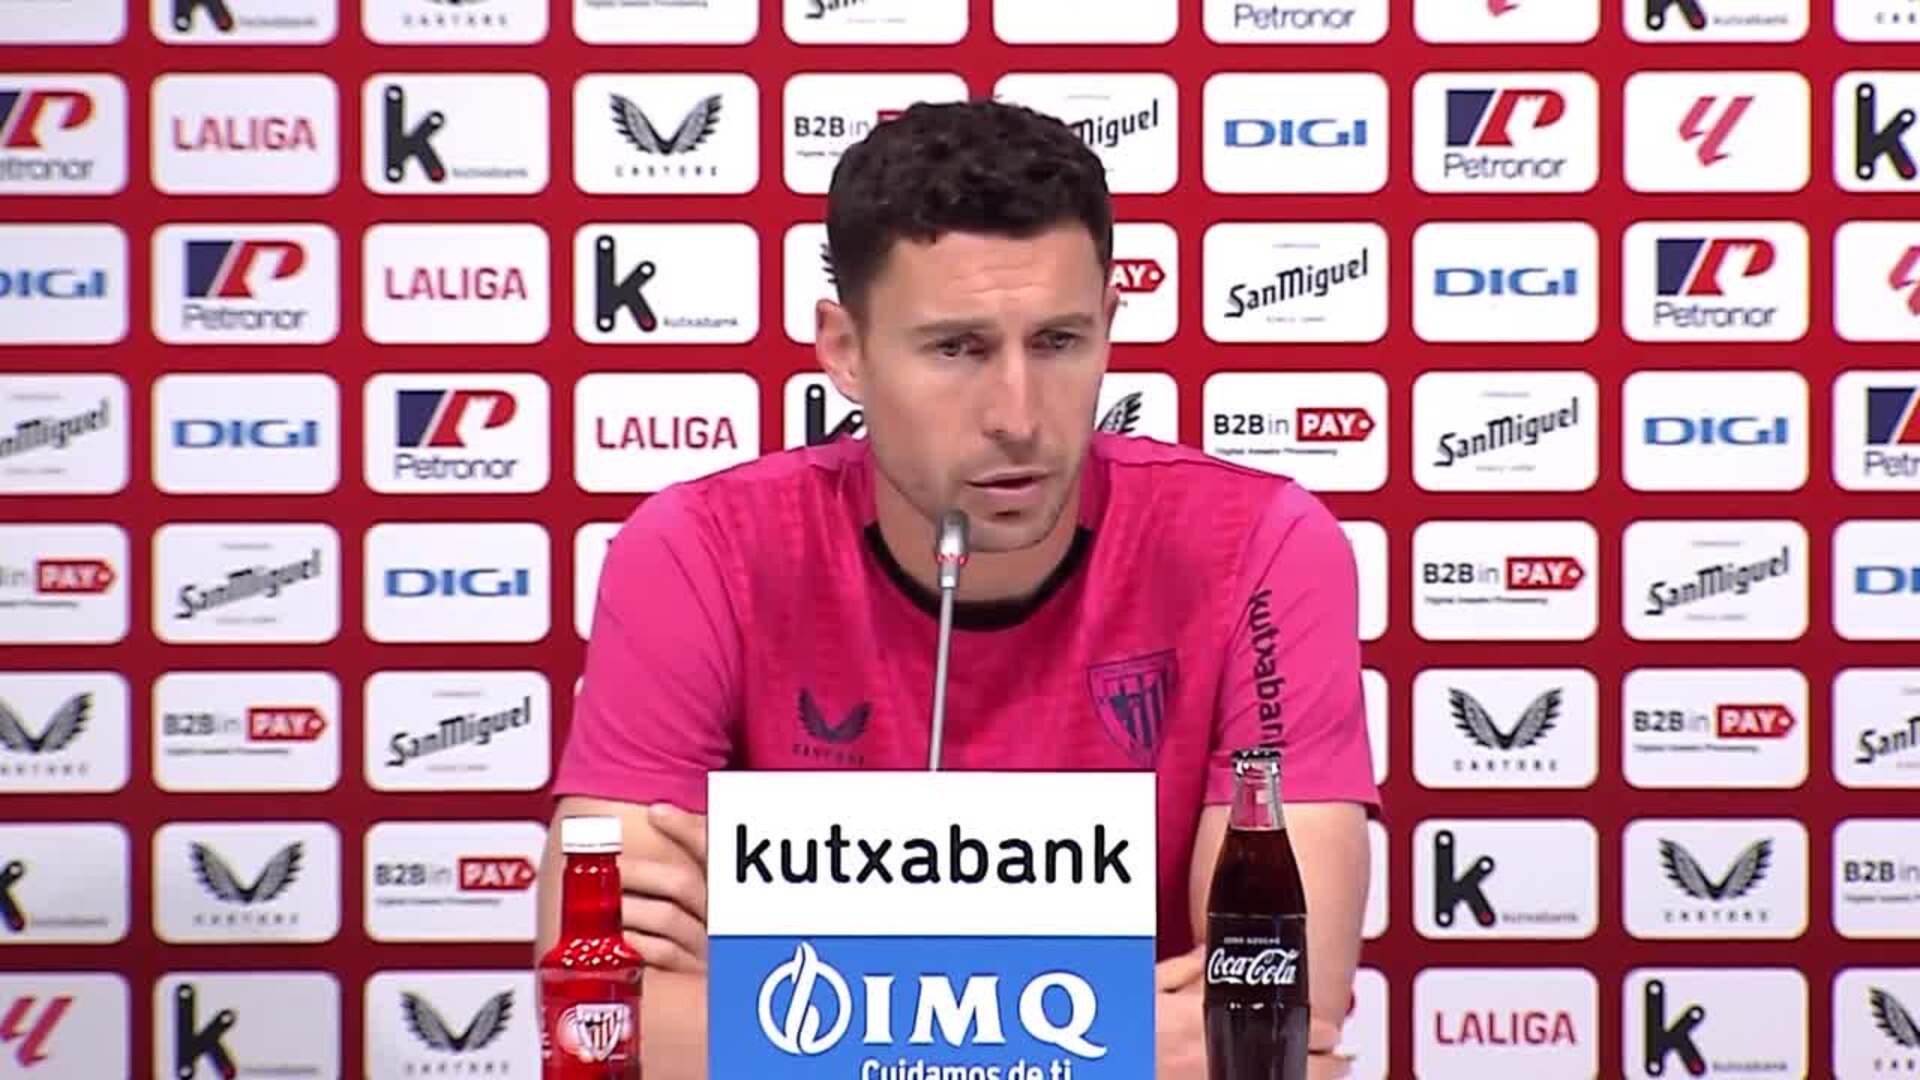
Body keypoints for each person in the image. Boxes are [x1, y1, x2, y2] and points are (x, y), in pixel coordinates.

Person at [535, 98, 1379, 1080]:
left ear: (1110, 326)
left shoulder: (1262, 548)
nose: (1017, 416)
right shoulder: (699, 552)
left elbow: (1272, 1027)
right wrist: (1103, 1034)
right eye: (956, 349)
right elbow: (600, 1023)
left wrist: (789, 1000)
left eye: (1058, 342)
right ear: (844, 350)